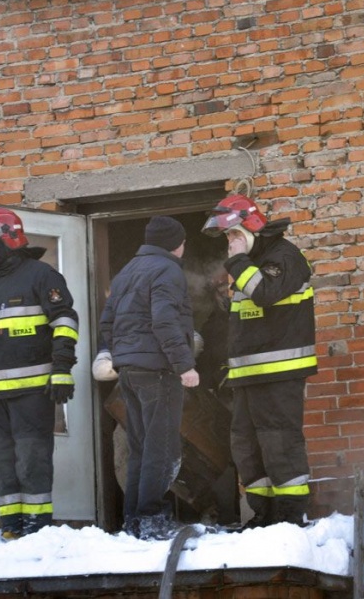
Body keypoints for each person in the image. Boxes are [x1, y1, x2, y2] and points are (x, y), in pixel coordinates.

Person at [0, 207, 79, 540]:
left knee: (31, 461)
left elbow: (65, 321)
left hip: (33, 393)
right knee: (1, 462)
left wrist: (62, 369)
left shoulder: (41, 275)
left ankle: (37, 528)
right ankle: (11, 527)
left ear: (9, 239)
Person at [202, 194, 317, 528]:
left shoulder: (284, 257)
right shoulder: (251, 264)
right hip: (248, 375)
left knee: (279, 442)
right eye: (227, 237)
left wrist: (238, 261)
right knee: (247, 446)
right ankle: (263, 516)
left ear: (251, 226)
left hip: (279, 373)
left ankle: (290, 518)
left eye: (234, 234)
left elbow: (265, 293)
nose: (230, 242)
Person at [99, 215, 199, 540]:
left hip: (128, 371)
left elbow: (106, 323)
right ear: (176, 243)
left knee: (141, 448)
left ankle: (134, 521)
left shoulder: (127, 272)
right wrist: (184, 365)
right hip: (158, 371)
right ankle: (152, 519)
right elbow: (164, 320)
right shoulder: (168, 270)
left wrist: (123, 356)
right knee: (162, 448)